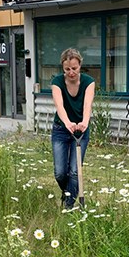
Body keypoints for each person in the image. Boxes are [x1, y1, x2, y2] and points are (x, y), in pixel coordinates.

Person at [51, 48, 96, 209]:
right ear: (63, 68)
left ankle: (68, 207)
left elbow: (87, 105)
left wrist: (84, 122)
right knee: (60, 172)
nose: (71, 72)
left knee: (75, 171)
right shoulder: (57, 82)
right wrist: (68, 123)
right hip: (61, 130)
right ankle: (67, 192)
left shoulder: (88, 81)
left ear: (80, 66)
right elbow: (59, 105)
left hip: (81, 131)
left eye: (74, 68)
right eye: (67, 69)